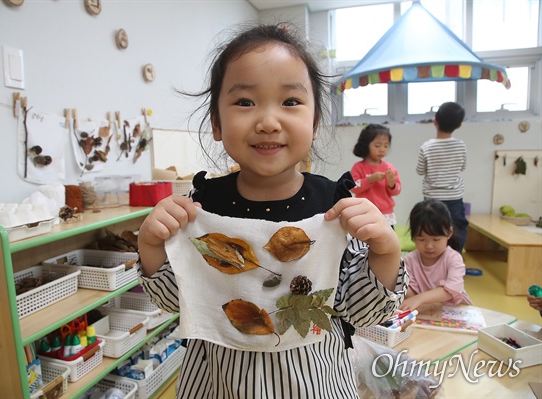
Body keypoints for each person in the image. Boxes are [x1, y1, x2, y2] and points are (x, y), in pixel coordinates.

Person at [136, 23, 407, 398]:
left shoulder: (334, 209)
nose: (267, 122)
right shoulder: (201, 206)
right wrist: (150, 246)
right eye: (245, 102)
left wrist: (387, 251)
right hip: (219, 384)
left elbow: (364, 313)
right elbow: (177, 301)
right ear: (216, 123)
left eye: (290, 102)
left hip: (314, 382)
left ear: (313, 124)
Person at [399, 199, 472, 311]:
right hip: (426, 312)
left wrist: (420, 298)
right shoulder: (409, 260)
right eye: (421, 239)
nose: (429, 246)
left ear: (449, 233)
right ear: (413, 237)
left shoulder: (453, 258)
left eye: (436, 239)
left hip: (456, 311)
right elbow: (410, 292)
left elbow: (453, 289)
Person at [416, 101, 468, 253]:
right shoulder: (461, 145)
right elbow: (463, 167)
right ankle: (455, 255)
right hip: (454, 196)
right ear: (459, 126)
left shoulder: (426, 147)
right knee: (457, 226)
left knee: (432, 228)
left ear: (435, 121)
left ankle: (433, 256)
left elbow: (420, 170)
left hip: (432, 197)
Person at [350, 124, 401, 227]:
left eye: (386, 146)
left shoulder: (389, 168)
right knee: (365, 239)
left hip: (386, 213)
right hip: (364, 212)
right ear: (366, 145)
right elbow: (353, 187)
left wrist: (392, 185)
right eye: (377, 146)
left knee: (386, 241)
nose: (382, 149)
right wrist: (370, 179)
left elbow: (397, 190)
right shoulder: (358, 167)